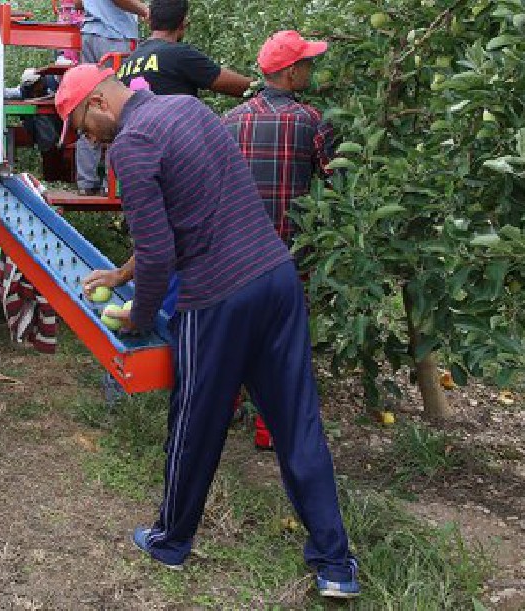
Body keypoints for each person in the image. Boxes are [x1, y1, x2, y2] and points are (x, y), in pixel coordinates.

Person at [58, 64, 359, 598]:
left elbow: (159, 252)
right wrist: (122, 275)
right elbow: (190, 214)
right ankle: (335, 565)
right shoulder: (190, 110)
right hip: (276, 280)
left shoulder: (131, 145)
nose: (88, 140)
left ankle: (170, 541)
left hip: (218, 297)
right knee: (298, 425)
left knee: (194, 424)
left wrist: (139, 315)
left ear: (99, 103)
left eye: (82, 127)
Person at [223, 30, 335, 246]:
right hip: (291, 250)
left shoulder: (229, 121)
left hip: (239, 250)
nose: (310, 70)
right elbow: (337, 183)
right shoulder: (311, 120)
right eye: (307, 64)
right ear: (292, 72)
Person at [72, 0, 147, 196]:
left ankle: (86, 181)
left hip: (90, 33)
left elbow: (78, 3)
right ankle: (112, 183)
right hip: (114, 34)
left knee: (89, 104)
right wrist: (145, 11)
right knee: (115, 107)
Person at [116, 0, 252, 97]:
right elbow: (242, 87)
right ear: (183, 23)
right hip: (173, 129)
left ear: (149, 20)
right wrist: (260, 85)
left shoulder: (128, 62)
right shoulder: (179, 55)